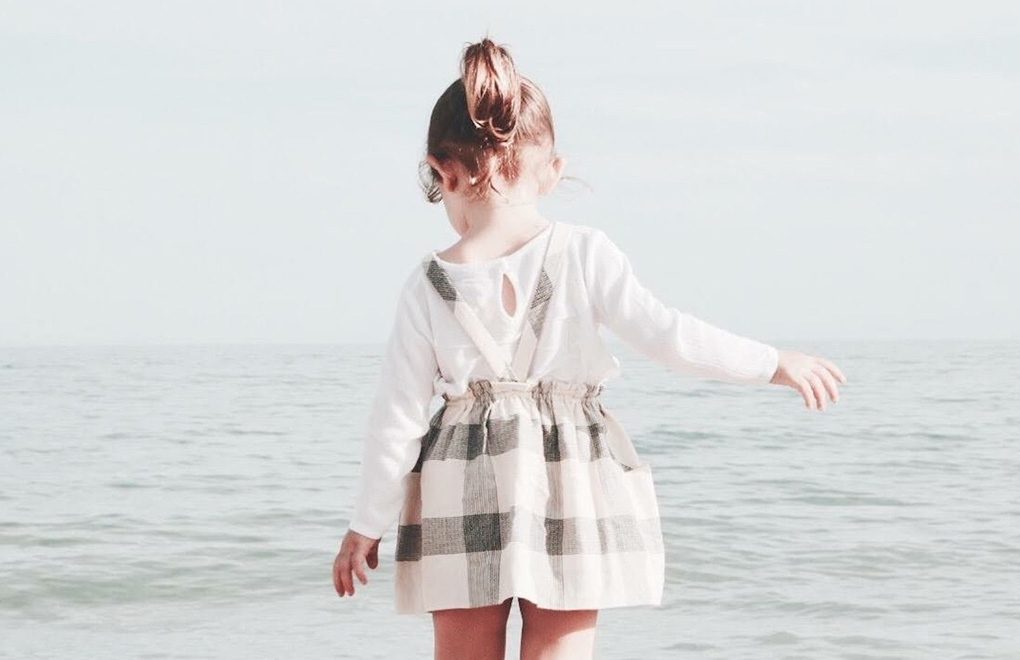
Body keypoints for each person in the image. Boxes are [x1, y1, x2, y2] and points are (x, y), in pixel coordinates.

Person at [333, 35, 846, 660]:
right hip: (569, 476)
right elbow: (669, 337)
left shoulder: (428, 285)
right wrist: (773, 363)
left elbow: (397, 421)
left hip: (460, 483)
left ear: (444, 173)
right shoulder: (584, 253)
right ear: (552, 170)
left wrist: (366, 524)